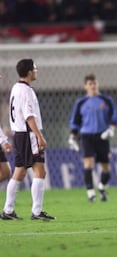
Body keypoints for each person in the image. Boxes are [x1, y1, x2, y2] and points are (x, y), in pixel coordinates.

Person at [1, 58, 55, 220]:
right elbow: (29, 116)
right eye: (35, 68)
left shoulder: (16, 88)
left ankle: (8, 211)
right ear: (30, 71)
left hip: (20, 135)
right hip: (28, 135)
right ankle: (36, 212)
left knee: (19, 171)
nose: (36, 71)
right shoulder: (25, 91)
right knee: (39, 170)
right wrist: (39, 136)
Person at [68, 73, 117, 202]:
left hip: (102, 136)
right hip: (86, 136)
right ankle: (91, 193)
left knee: (106, 167)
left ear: (98, 84)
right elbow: (75, 121)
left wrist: (111, 128)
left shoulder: (106, 100)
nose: (93, 86)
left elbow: (114, 116)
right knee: (88, 163)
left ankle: (101, 186)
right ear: (85, 86)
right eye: (90, 84)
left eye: (95, 83)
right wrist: (72, 137)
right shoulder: (81, 102)